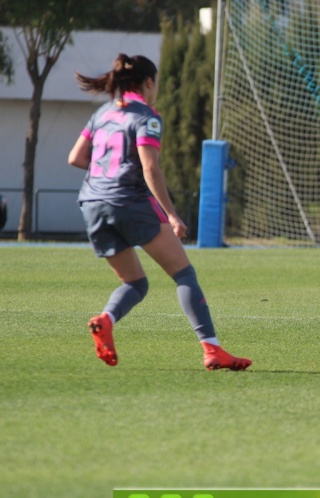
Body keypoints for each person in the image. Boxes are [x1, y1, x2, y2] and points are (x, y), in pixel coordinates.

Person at [67, 53, 251, 371]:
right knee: (183, 274)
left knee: (136, 283)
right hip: (130, 202)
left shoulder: (102, 113)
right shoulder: (146, 116)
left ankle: (106, 319)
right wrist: (173, 214)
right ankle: (212, 350)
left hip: (93, 205)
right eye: (157, 84)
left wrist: (107, 174)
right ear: (148, 82)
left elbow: (76, 157)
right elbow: (150, 168)